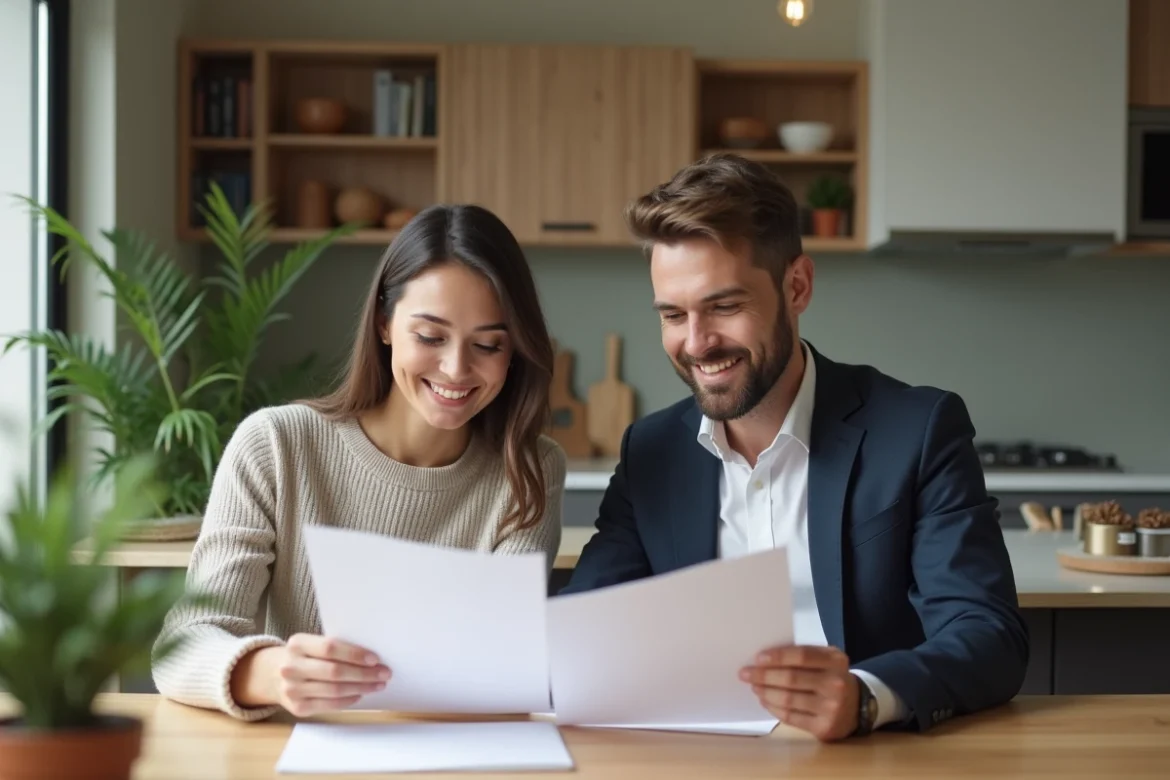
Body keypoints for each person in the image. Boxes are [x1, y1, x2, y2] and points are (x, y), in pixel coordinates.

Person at [560, 154, 1029, 741]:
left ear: (797, 286)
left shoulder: (917, 429)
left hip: (873, 756)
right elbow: (583, 632)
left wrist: (865, 696)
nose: (697, 343)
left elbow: (986, 633)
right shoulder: (652, 451)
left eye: (725, 306)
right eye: (673, 315)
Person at [153, 204, 566, 722]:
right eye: (431, 337)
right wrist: (275, 672)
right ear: (385, 324)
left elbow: (499, 664)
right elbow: (185, 642)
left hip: (454, 757)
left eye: (488, 344)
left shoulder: (529, 470)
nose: (457, 368)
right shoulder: (276, 445)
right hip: (300, 755)